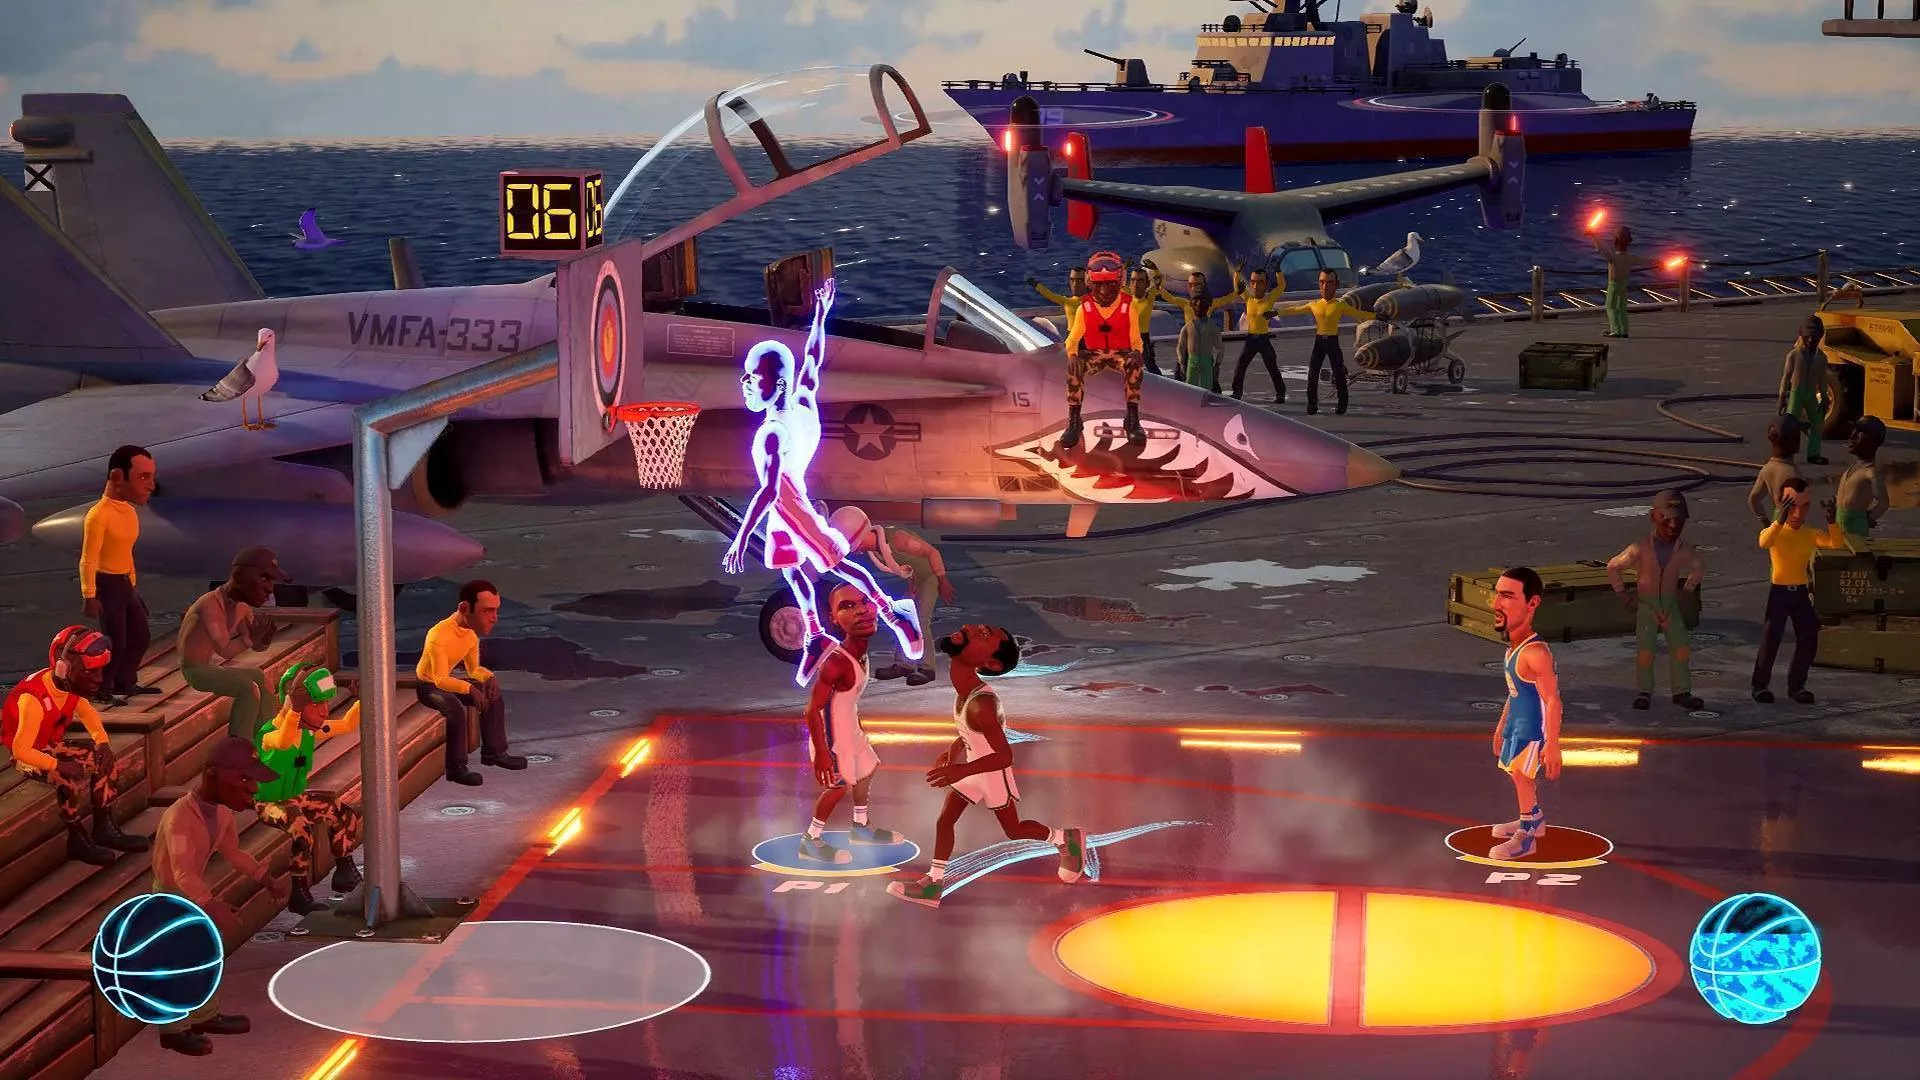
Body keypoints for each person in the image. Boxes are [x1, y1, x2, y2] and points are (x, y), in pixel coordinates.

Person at [723, 277, 924, 686]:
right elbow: (812, 358)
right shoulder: (803, 402)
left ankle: (893, 611)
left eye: (753, 377)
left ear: (776, 384)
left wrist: (740, 538)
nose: (745, 384)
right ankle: (814, 635)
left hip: (789, 504)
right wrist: (821, 314)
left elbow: (768, 491)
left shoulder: (773, 432)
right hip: (784, 506)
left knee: (835, 563)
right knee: (790, 570)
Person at [888, 624, 1087, 908]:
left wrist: (961, 770)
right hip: (974, 766)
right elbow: (970, 732)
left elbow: (1004, 757)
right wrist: (954, 750)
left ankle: (1065, 838)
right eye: (980, 628)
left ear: (991, 663)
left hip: (991, 772)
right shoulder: (966, 693)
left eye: (984, 635)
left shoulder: (981, 705)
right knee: (945, 820)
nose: (971, 628)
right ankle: (933, 883)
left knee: (1014, 830)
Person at [149, 736, 285, 1057]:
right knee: (175, 963)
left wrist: (264, 878)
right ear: (213, 776)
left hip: (193, 893)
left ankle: (204, 1016)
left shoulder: (220, 812)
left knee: (204, 955)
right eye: (244, 779)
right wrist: (211, 905)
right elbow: (181, 873)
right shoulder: (180, 817)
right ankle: (172, 1030)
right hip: (170, 897)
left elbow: (233, 852)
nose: (253, 788)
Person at [2, 626, 150, 865]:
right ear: (65, 668)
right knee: (66, 779)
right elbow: (22, 750)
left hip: (52, 745)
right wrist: (58, 765)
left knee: (103, 761)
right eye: (90, 672)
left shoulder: (68, 687)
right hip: (29, 755)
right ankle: (77, 838)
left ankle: (104, 827)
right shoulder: (33, 699)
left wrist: (102, 743)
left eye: (100, 671)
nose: (98, 679)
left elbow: (87, 712)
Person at [795, 582, 908, 864]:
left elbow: (846, 700)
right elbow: (812, 710)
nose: (861, 610)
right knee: (837, 786)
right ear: (833, 618)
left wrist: (858, 727)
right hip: (833, 737)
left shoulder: (860, 653)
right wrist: (823, 752)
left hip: (850, 728)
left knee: (867, 769)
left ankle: (860, 827)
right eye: (847, 606)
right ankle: (811, 840)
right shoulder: (836, 662)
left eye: (865, 601)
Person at [253, 663, 364, 914]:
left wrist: (360, 700)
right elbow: (283, 742)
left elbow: (347, 725)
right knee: (301, 829)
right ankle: (299, 892)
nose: (324, 711)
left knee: (342, 812)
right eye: (316, 705)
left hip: (295, 798)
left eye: (325, 703)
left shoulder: (308, 731)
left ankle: (344, 871)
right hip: (268, 804)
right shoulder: (269, 734)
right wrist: (294, 710)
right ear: (296, 703)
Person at [1485, 567, 1563, 861]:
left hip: (1530, 729)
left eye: (1507, 596)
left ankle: (1527, 835)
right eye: (1497, 595)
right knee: (1514, 773)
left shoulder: (1536, 653)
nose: (1496, 604)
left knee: (1522, 776)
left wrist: (1552, 744)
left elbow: (1552, 700)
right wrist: (1501, 726)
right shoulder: (1513, 650)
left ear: (1532, 603)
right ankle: (1534, 819)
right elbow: (1514, 692)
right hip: (1516, 726)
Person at [415, 579, 526, 785]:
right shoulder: (438, 635)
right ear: (465, 608)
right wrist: (469, 689)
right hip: (429, 687)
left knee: (492, 696)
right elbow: (440, 679)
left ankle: (494, 752)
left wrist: (489, 677)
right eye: (487, 611)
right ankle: (456, 768)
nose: (494, 618)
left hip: (448, 682)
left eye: (496, 610)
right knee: (456, 710)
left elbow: (473, 670)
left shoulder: (470, 635)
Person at [829, 506, 955, 686]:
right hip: (915, 580)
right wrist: (911, 584)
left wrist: (942, 580)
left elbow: (932, 553)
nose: (854, 551)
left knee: (920, 621)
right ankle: (904, 664)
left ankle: (927, 668)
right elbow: (907, 567)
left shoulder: (897, 539)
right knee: (901, 618)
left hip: (929, 578)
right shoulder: (876, 551)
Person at [1606, 490, 1705, 712]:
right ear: (1653, 516)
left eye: (1678, 521)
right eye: (1666, 519)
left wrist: (1687, 590)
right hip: (1647, 605)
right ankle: (1644, 691)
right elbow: (1613, 567)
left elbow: (1698, 568)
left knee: (1681, 647)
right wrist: (1622, 594)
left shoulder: (1683, 549)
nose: (1672, 526)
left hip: (1670, 605)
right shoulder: (1641, 547)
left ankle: (1681, 691)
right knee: (1645, 650)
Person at [1753, 479, 1849, 704]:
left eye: (1804, 506)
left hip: (1800, 593)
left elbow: (1836, 544)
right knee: (1771, 639)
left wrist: (1832, 521)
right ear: (1781, 504)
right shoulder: (1776, 532)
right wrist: (1779, 520)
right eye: (1792, 506)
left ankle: (1797, 686)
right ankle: (1760, 686)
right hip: (1779, 593)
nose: (1798, 513)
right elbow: (1764, 542)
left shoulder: (1810, 534)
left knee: (1808, 637)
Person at [80, 444, 158, 706]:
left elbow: (127, 552)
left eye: (151, 477)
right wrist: (89, 595)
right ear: (117, 477)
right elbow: (88, 559)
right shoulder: (98, 516)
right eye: (143, 477)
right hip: (107, 584)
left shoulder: (129, 512)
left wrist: (132, 584)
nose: (151, 485)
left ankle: (125, 681)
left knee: (141, 635)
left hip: (124, 582)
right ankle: (102, 689)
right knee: (115, 641)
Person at [180, 547, 285, 740]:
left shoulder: (241, 607)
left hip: (210, 667)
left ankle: (266, 737)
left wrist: (265, 636)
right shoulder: (210, 606)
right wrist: (250, 639)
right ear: (239, 576)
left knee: (261, 678)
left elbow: (257, 645)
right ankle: (239, 744)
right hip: (195, 671)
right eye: (264, 579)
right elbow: (225, 650)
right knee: (248, 688)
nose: (270, 589)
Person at [1060, 250, 1148, 449]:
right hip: (1094, 353)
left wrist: (1137, 352)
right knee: (1074, 368)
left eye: (1110, 285)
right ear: (1091, 283)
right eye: (1099, 285)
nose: (1104, 291)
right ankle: (1074, 420)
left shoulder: (1129, 308)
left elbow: (1136, 339)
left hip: (1120, 353)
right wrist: (1072, 355)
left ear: (1119, 283)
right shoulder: (1084, 309)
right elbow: (1073, 339)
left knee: (1134, 365)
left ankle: (1132, 419)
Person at [1277, 269, 1372, 416]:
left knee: (1339, 374)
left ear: (1336, 285)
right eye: (1322, 282)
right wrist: (1276, 312)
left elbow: (1360, 314)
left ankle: (1342, 404)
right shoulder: (1315, 304)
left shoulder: (1340, 306)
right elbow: (1295, 309)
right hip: (1319, 342)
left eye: (1329, 282)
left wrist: (1378, 316)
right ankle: (1312, 404)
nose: (1325, 286)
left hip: (1332, 342)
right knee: (1312, 374)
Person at [1220, 265, 1286, 403]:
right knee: (1241, 365)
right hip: (1251, 339)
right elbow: (1238, 289)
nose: (1256, 286)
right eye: (1253, 282)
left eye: (1260, 282)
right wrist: (1236, 273)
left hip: (1263, 339)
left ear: (1266, 284)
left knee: (1272, 366)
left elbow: (1281, 287)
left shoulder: (1269, 300)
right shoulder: (1249, 299)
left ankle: (1280, 393)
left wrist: (1278, 272)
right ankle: (1237, 392)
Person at [1777, 316, 1832, 465]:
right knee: (1790, 425)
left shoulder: (1822, 357)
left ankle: (1814, 454)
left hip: (1811, 394)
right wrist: (1782, 396)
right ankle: (1786, 454)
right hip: (1796, 393)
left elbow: (1822, 378)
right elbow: (1786, 376)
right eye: (1808, 337)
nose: (1811, 341)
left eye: (1815, 338)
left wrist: (1824, 396)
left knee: (1817, 423)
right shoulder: (1794, 355)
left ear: (1821, 336)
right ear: (1801, 334)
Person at [1589, 225, 1659, 339]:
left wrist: (1594, 236)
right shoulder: (1631, 258)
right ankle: (1624, 331)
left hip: (1613, 285)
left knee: (1610, 306)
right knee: (1622, 308)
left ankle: (1615, 331)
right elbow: (1646, 261)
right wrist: (1659, 262)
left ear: (1615, 241)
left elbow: (1603, 249)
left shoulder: (1614, 258)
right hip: (1623, 284)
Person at [1156, 270, 1221, 391]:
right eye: (1191, 285)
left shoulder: (1211, 304)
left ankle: (1215, 393)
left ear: (1204, 285)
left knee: (1210, 375)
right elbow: (1169, 297)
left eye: (1197, 285)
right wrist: (1158, 284)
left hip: (1204, 346)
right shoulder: (1186, 304)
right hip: (1188, 344)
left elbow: (1230, 298)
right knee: (1180, 373)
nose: (1193, 288)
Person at [1825, 416, 1888, 540]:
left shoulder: (1870, 472)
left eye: (1859, 434)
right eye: (1853, 431)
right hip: (1840, 530)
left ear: (1873, 441)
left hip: (1855, 535)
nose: (1851, 437)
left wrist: (1868, 519)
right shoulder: (1853, 468)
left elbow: (1884, 503)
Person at [1748, 416, 1805, 526]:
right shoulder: (1793, 473)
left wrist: (1765, 521)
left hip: (1776, 522)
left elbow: (1753, 500)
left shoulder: (1767, 468)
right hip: (1792, 527)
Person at [1127, 264, 1166, 377]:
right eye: (1133, 280)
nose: (1136, 284)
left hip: (1143, 338)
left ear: (1146, 284)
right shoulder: (1126, 296)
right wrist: (1123, 268)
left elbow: (1159, 284)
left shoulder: (1149, 296)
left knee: (1151, 368)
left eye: (1140, 280)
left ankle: (1159, 387)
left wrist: (1155, 270)